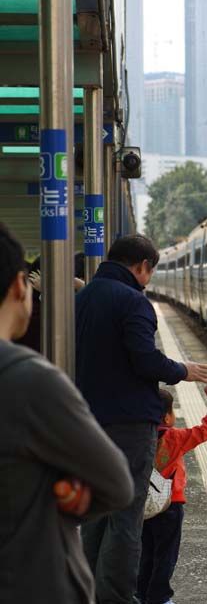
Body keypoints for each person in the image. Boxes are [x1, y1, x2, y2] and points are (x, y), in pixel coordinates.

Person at [75, 234, 207, 604]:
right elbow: (145, 360)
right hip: (128, 424)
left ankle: (90, 592)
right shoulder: (134, 302)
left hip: (87, 421)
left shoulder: (82, 298)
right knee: (126, 516)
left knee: (94, 513)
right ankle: (119, 597)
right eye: (149, 273)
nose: (148, 280)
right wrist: (183, 370)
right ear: (142, 267)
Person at [0, 222, 135, 603]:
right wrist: (60, 492)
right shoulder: (30, 380)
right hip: (28, 580)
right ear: (18, 287)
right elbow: (115, 484)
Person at [137, 384, 207, 604]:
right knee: (165, 554)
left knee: (146, 552)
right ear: (167, 418)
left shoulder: (137, 439)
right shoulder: (176, 437)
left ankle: (142, 593)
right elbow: (205, 430)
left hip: (143, 507)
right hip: (169, 506)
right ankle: (159, 597)